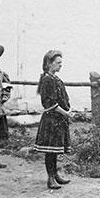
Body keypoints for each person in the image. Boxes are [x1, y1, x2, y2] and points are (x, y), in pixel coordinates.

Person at [34, 49, 73, 190]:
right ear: (49, 64)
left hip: (59, 119)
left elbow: (63, 98)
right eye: (58, 63)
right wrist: (65, 113)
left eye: (61, 62)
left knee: (56, 150)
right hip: (52, 119)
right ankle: (50, 178)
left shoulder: (56, 79)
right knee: (50, 151)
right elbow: (49, 103)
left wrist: (68, 110)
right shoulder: (47, 80)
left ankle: (55, 175)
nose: (60, 65)